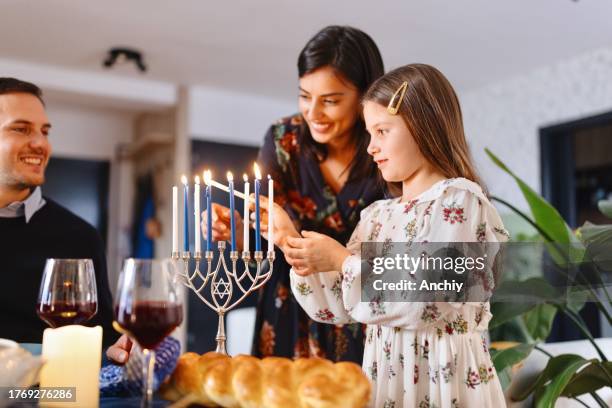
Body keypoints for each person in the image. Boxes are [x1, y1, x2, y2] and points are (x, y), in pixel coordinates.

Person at [275, 64, 508, 406]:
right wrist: (292, 243)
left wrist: (343, 260)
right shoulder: (378, 216)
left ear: (423, 126)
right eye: (369, 133)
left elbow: (428, 300)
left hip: (444, 384)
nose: (371, 147)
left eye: (382, 131)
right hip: (387, 384)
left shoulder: (462, 201)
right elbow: (338, 307)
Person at [205, 26, 385, 362]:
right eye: (304, 96)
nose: (313, 113)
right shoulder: (283, 141)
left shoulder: (386, 149)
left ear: (365, 95)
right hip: (289, 309)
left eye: (330, 101)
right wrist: (239, 233)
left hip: (363, 309)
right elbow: (262, 241)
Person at [0, 77, 117, 347]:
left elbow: (103, 341)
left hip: (50, 390)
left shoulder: (80, 237)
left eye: (44, 131)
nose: (40, 144)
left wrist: (121, 351)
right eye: (21, 129)